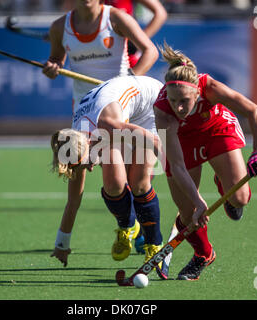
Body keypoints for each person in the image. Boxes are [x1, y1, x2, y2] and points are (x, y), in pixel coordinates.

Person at [43, 0, 159, 265]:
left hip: (121, 106)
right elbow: (56, 62)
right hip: (84, 109)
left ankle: (146, 233)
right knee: (110, 183)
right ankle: (130, 227)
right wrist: (52, 67)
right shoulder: (59, 27)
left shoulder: (116, 18)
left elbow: (150, 52)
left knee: (137, 180)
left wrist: (126, 83)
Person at [153, 43, 257, 281]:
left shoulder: (211, 87)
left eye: (184, 100)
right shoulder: (163, 112)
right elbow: (176, 166)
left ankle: (223, 179)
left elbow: (256, 112)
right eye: (174, 101)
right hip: (183, 141)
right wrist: (198, 202)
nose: (179, 108)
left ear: (197, 92)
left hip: (216, 130)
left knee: (239, 198)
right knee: (187, 213)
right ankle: (203, 254)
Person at [50, 75, 170, 269]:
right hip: (119, 117)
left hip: (151, 107)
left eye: (86, 163)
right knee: (114, 185)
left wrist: (179, 171)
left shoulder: (109, 126)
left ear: (90, 143)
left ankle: (154, 245)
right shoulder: (74, 143)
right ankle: (129, 227)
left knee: (139, 184)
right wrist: (61, 244)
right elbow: (73, 200)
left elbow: (155, 142)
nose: (88, 168)